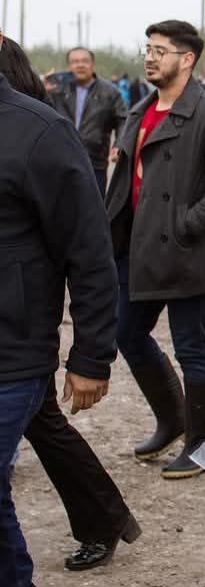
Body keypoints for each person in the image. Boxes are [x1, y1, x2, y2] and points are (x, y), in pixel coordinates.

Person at [0, 32, 137, 586]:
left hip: (12, 354)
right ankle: (103, 516)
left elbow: (89, 252)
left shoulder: (40, 132)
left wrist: (91, 355)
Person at [105, 20, 205, 480]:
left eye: (160, 50)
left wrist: (186, 224)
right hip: (135, 247)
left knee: (192, 348)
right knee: (126, 334)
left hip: (185, 251)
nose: (150, 57)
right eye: (147, 48)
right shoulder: (138, 111)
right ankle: (171, 419)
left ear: (186, 59)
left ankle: (200, 443)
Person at [44, 47, 128, 196]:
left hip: (94, 162)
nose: (80, 65)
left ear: (92, 64)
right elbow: (37, 112)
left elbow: (123, 119)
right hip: (60, 160)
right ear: (68, 66)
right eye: (75, 61)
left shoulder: (110, 92)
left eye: (84, 61)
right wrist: (42, 89)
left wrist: (119, 144)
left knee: (93, 212)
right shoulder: (56, 91)